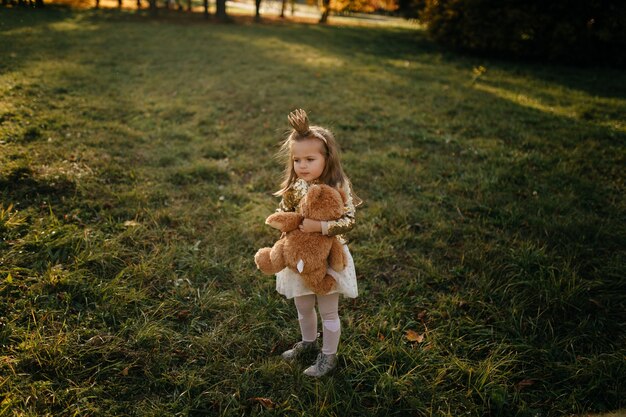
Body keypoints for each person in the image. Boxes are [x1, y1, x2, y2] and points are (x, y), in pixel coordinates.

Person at [270, 109, 360, 377]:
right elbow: (284, 211)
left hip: (327, 257)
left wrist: (320, 227)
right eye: (297, 159)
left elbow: (349, 220)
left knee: (328, 308)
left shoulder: (339, 185)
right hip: (298, 256)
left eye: (310, 159)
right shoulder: (295, 186)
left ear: (327, 158)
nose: (302, 165)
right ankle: (308, 342)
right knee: (303, 304)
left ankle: (328, 357)